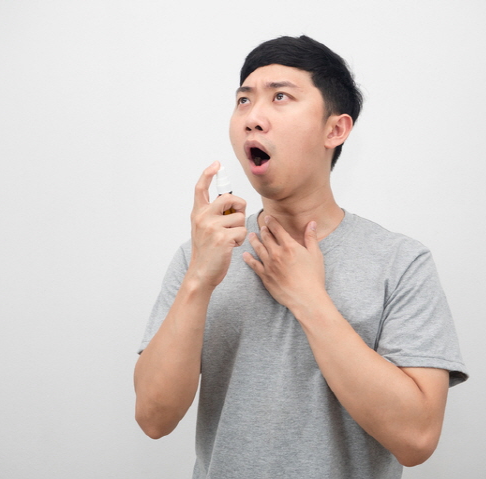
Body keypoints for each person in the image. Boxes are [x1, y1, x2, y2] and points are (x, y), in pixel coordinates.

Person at [134, 35, 468, 479]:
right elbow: (153, 419)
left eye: (280, 97)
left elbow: (417, 438)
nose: (253, 117)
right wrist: (198, 278)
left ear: (335, 130)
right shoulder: (200, 255)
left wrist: (308, 298)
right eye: (243, 100)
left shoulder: (400, 263)